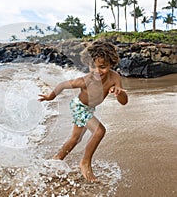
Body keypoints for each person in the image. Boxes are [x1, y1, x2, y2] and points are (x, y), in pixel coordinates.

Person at [38, 41, 128, 182]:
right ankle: (85, 162)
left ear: (111, 64)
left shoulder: (115, 77)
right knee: (99, 131)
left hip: (89, 108)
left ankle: (55, 160)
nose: (97, 71)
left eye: (102, 67)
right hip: (79, 106)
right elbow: (63, 85)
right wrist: (50, 96)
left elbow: (124, 101)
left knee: (75, 139)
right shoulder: (86, 80)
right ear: (88, 63)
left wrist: (119, 92)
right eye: (93, 66)